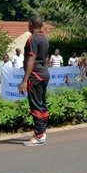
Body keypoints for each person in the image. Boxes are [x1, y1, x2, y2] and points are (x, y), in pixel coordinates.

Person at [19, 15, 50, 146]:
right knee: (42, 103)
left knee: (36, 105)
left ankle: (39, 136)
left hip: (35, 76)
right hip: (44, 74)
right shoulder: (44, 39)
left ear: (31, 24)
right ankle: (42, 131)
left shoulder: (32, 39)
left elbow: (31, 59)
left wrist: (24, 80)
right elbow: (46, 58)